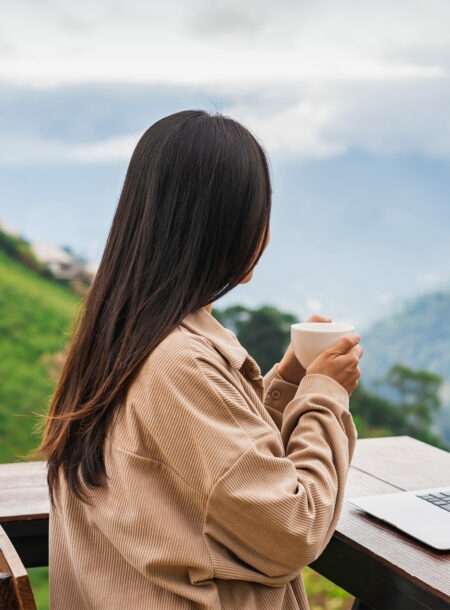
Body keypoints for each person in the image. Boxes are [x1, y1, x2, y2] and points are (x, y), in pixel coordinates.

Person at [38, 109, 363, 609]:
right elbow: (295, 529)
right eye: (260, 213)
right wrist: (324, 398)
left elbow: (211, 468)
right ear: (226, 227)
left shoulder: (121, 335)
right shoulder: (180, 363)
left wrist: (289, 383)